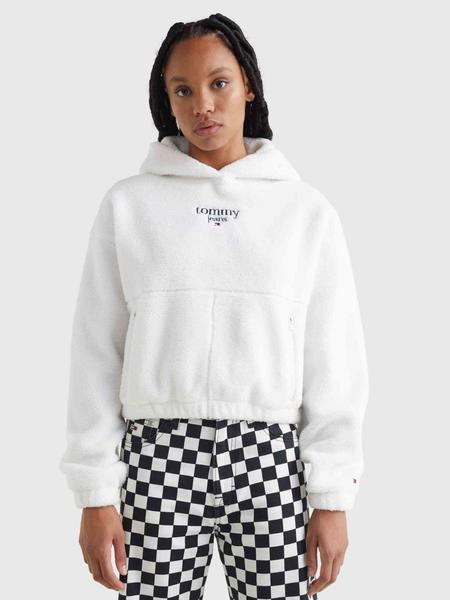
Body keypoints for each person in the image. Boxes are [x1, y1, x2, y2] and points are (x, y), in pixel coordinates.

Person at [59, 13, 369, 600]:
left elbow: (334, 357)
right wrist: (95, 492)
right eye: (183, 90)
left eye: (219, 83)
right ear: (166, 100)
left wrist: (332, 496)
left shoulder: (305, 212)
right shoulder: (129, 206)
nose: (202, 104)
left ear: (248, 85)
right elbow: (96, 350)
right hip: (157, 456)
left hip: (269, 458)